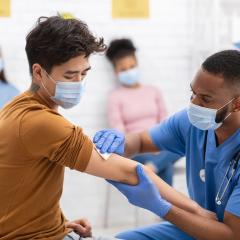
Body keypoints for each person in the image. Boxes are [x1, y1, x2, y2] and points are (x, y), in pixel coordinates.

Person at [0, 15, 213, 240]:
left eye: (83, 73)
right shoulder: (41, 122)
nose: (78, 83)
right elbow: (130, 172)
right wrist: (197, 211)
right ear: (38, 72)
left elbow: (20, 187)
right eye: (69, 75)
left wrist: (58, 222)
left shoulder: (16, 108)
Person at [93, 50, 240, 239]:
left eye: (205, 99)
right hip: (200, 227)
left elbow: (231, 235)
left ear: (237, 104)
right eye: (193, 93)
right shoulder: (190, 123)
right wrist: (121, 143)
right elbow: (140, 141)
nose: (194, 104)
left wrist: (161, 207)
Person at [105, 38, 180, 185]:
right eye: (123, 69)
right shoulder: (115, 97)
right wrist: (143, 146)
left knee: (181, 144)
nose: (129, 72)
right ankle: (157, 169)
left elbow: (165, 123)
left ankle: (151, 168)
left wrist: (158, 144)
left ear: (137, 64)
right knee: (167, 166)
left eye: (132, 66)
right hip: (135, 149)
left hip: (160, 143)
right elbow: (119, 132)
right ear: (115, 71)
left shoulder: (154, 91)